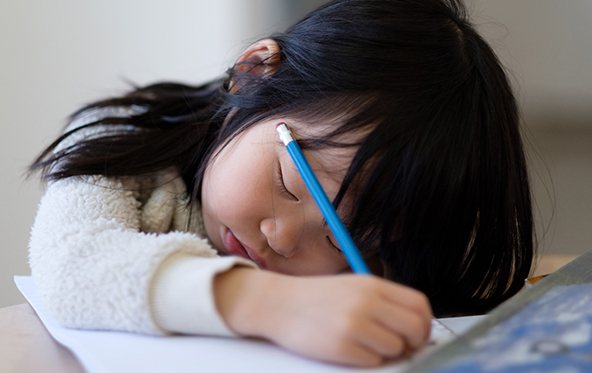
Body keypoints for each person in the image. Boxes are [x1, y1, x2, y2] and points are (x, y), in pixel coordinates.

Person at [28, 0, 534, 367]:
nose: (284, 239)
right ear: (253, 73)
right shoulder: (126, 144)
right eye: (293, 184)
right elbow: (72, 265)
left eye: (342, 238)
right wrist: (268, 303)